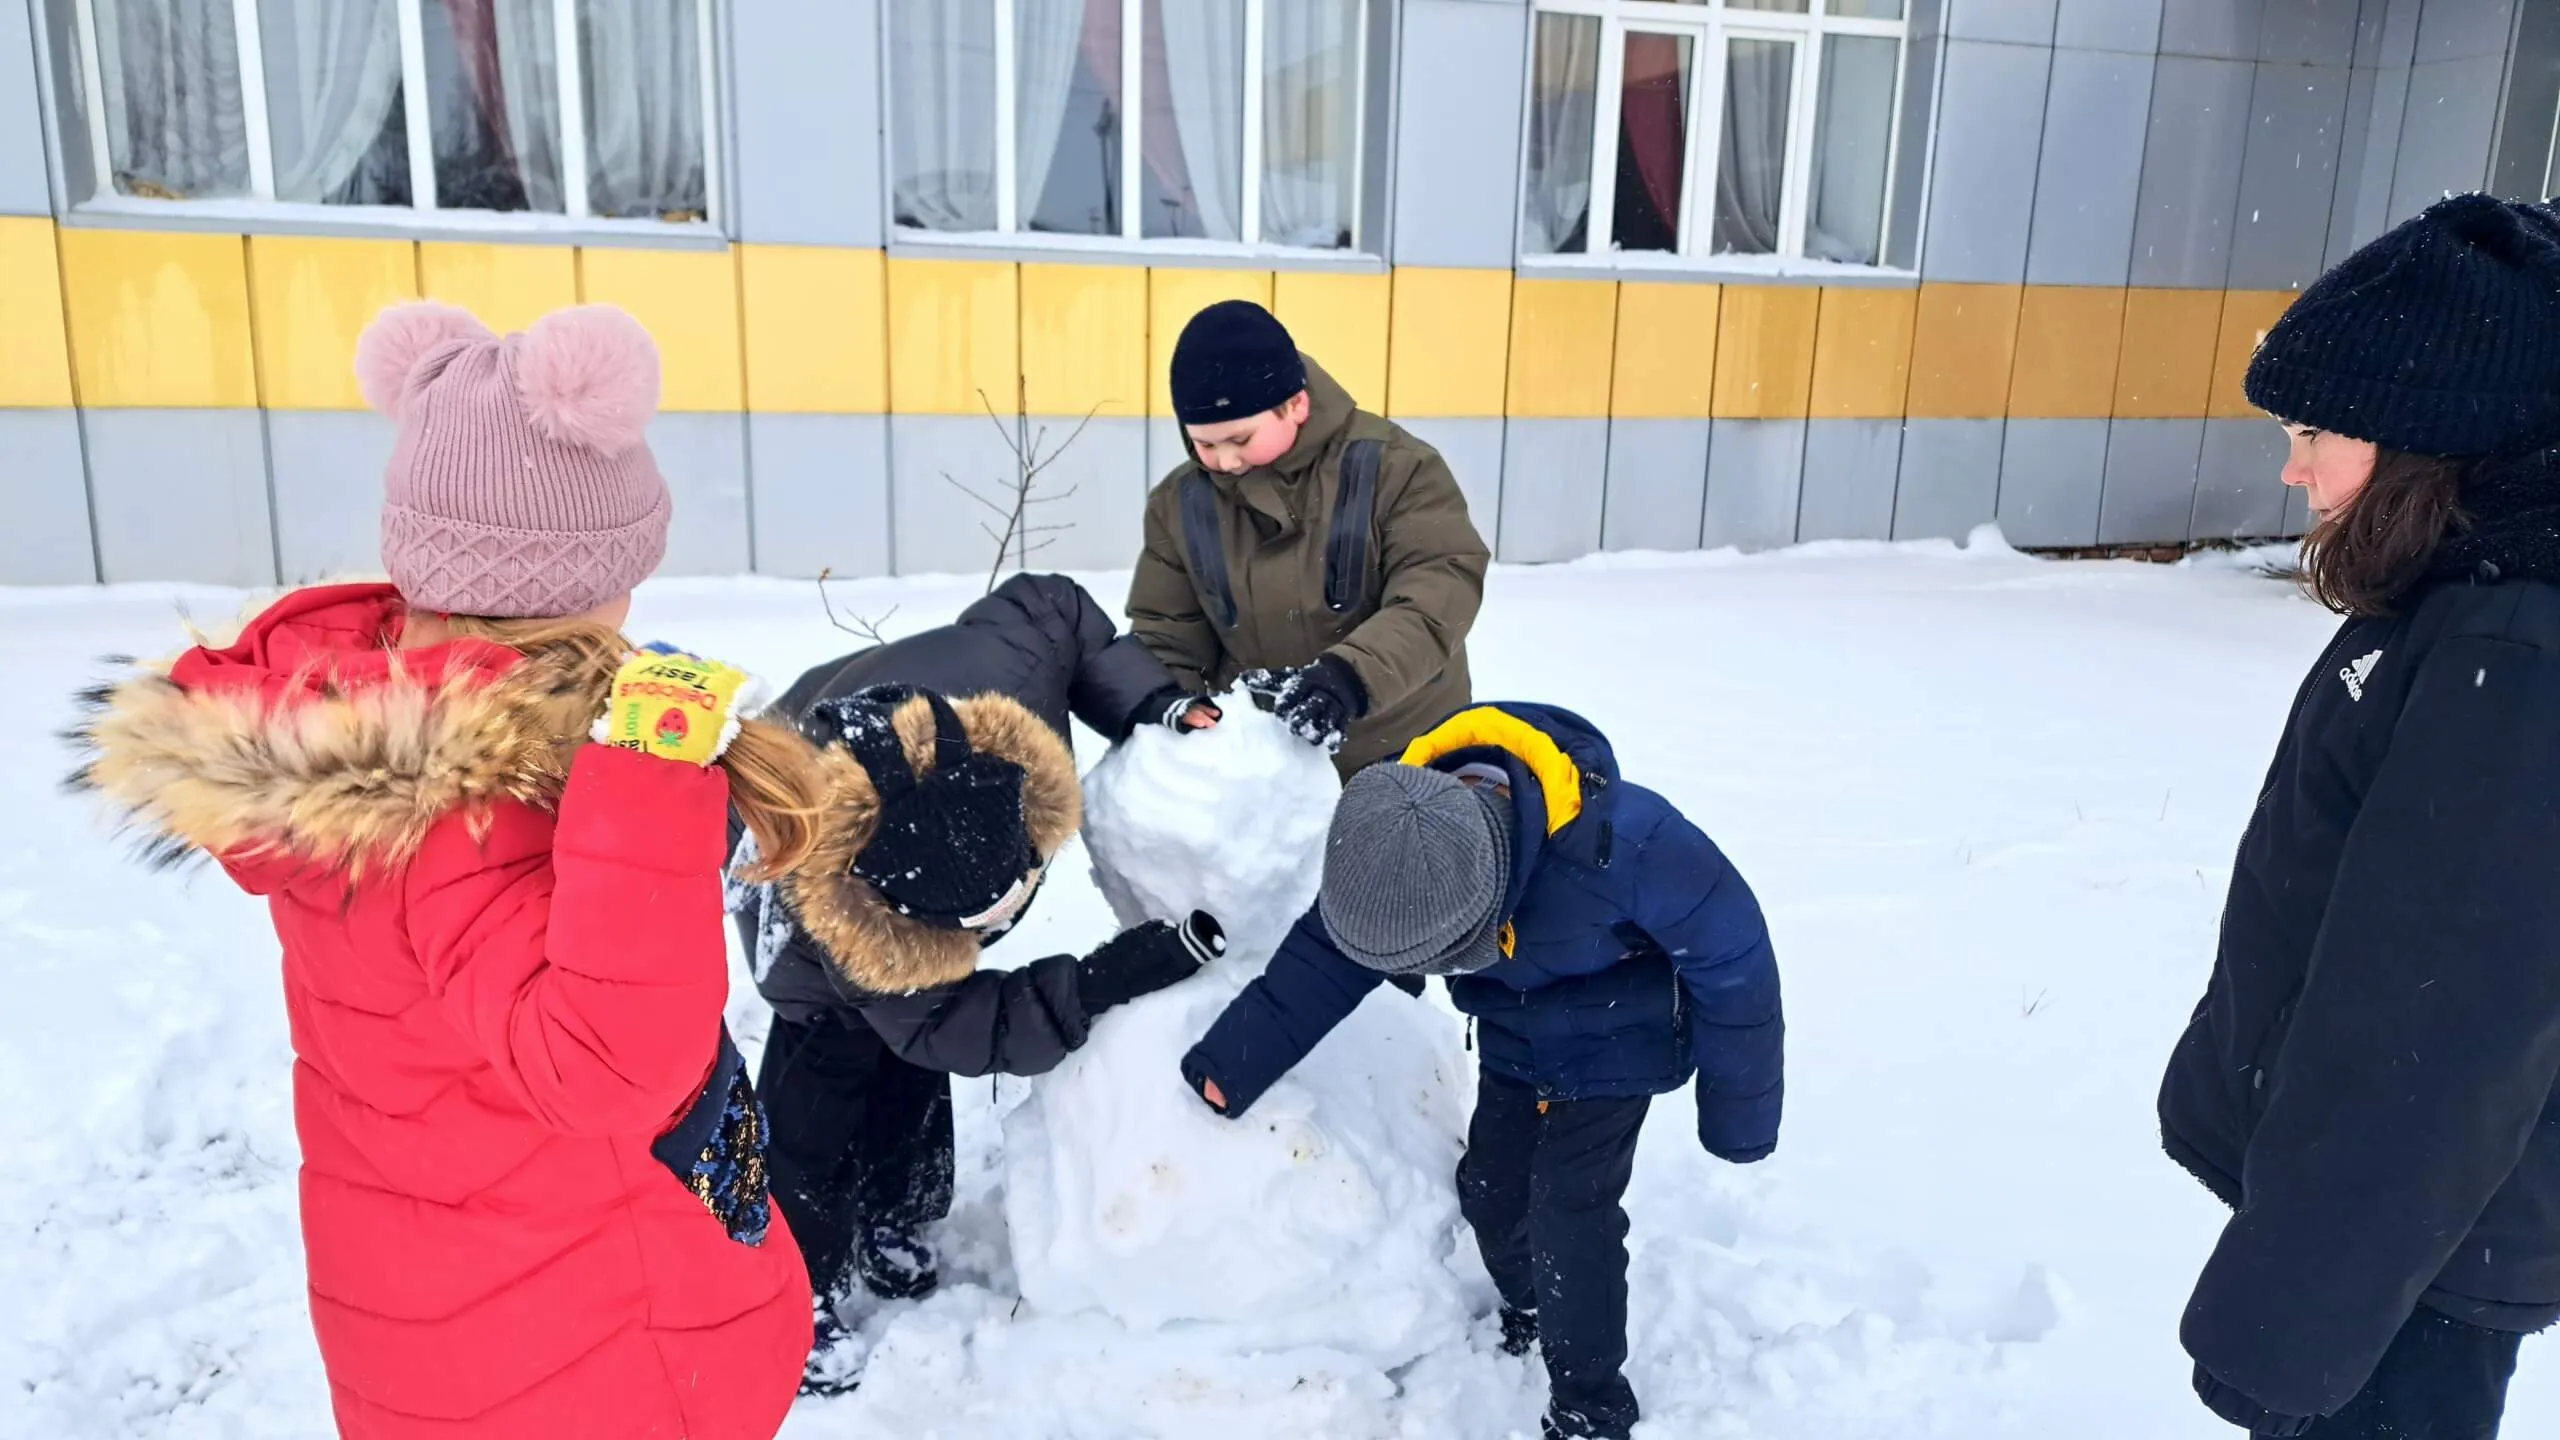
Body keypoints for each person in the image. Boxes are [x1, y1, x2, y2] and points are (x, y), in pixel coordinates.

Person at [67, 301, 818, 1438]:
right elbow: (609, 1068)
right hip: (581, 1345)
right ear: (582, 581)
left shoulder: (352, 725)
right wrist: (650, 788)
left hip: (440, 1313)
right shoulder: (469, 807)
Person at [2160, 192, 2560, 1440]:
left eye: (2317, 428)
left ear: (2428, 432)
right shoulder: (2459, 595)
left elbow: (2435, 1030)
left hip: (2407, 1269)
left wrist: (2294, 1320)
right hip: (2384, 1236)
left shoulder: (2512, 649)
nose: (2293, 465)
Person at [1177, 702, 1784, 1440]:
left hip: (1621, 1035)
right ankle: (1531, 1302)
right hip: (1514, 1033)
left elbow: (1735, 954)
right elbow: (1329, 956)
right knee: (1491, 1192)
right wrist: (1234, 1060)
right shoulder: (1398, 842)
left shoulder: (1624, 843)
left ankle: (1590, 1405)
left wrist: (1738, 1110)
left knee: (1570, 1210)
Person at [730, 573, 1227, 1394]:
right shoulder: (843, 921)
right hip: (780, 837)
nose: (983, 936)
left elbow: (1056, 606)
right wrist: (1102, 980)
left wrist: (1148, 701)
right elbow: (959, 1026)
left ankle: (896, 1213)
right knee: (822, 1091)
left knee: (906, 1062)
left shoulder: (1013, 675)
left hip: (879, 770)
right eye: (957, 930)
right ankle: (793, 1290)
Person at [1128, 298, 1490, 774]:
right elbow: (1168, 633)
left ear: (1295, 405)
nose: (1225, 461)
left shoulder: (1398, 469)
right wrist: (1170, 707)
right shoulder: (1179, 504)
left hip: (1405, 750)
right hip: (1264, 768)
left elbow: (1438, 593)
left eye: (1240, 439)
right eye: (1204, 444)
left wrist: (1351, 676)